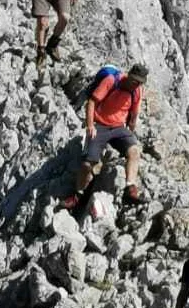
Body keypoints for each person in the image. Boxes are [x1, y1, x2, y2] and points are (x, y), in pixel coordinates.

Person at [62, 63, 148, 208]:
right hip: (100, 126)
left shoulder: (137, 91)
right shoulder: (111, 81)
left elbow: (133, 115)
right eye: (135, 81)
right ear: (130, 76)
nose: (137, 84)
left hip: (119, 128)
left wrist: (130, 135)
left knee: (134, 151)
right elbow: (91, 102)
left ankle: (130, 189)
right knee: (87, 164)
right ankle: (77, 195)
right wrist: (90, 125)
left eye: (140, 82)